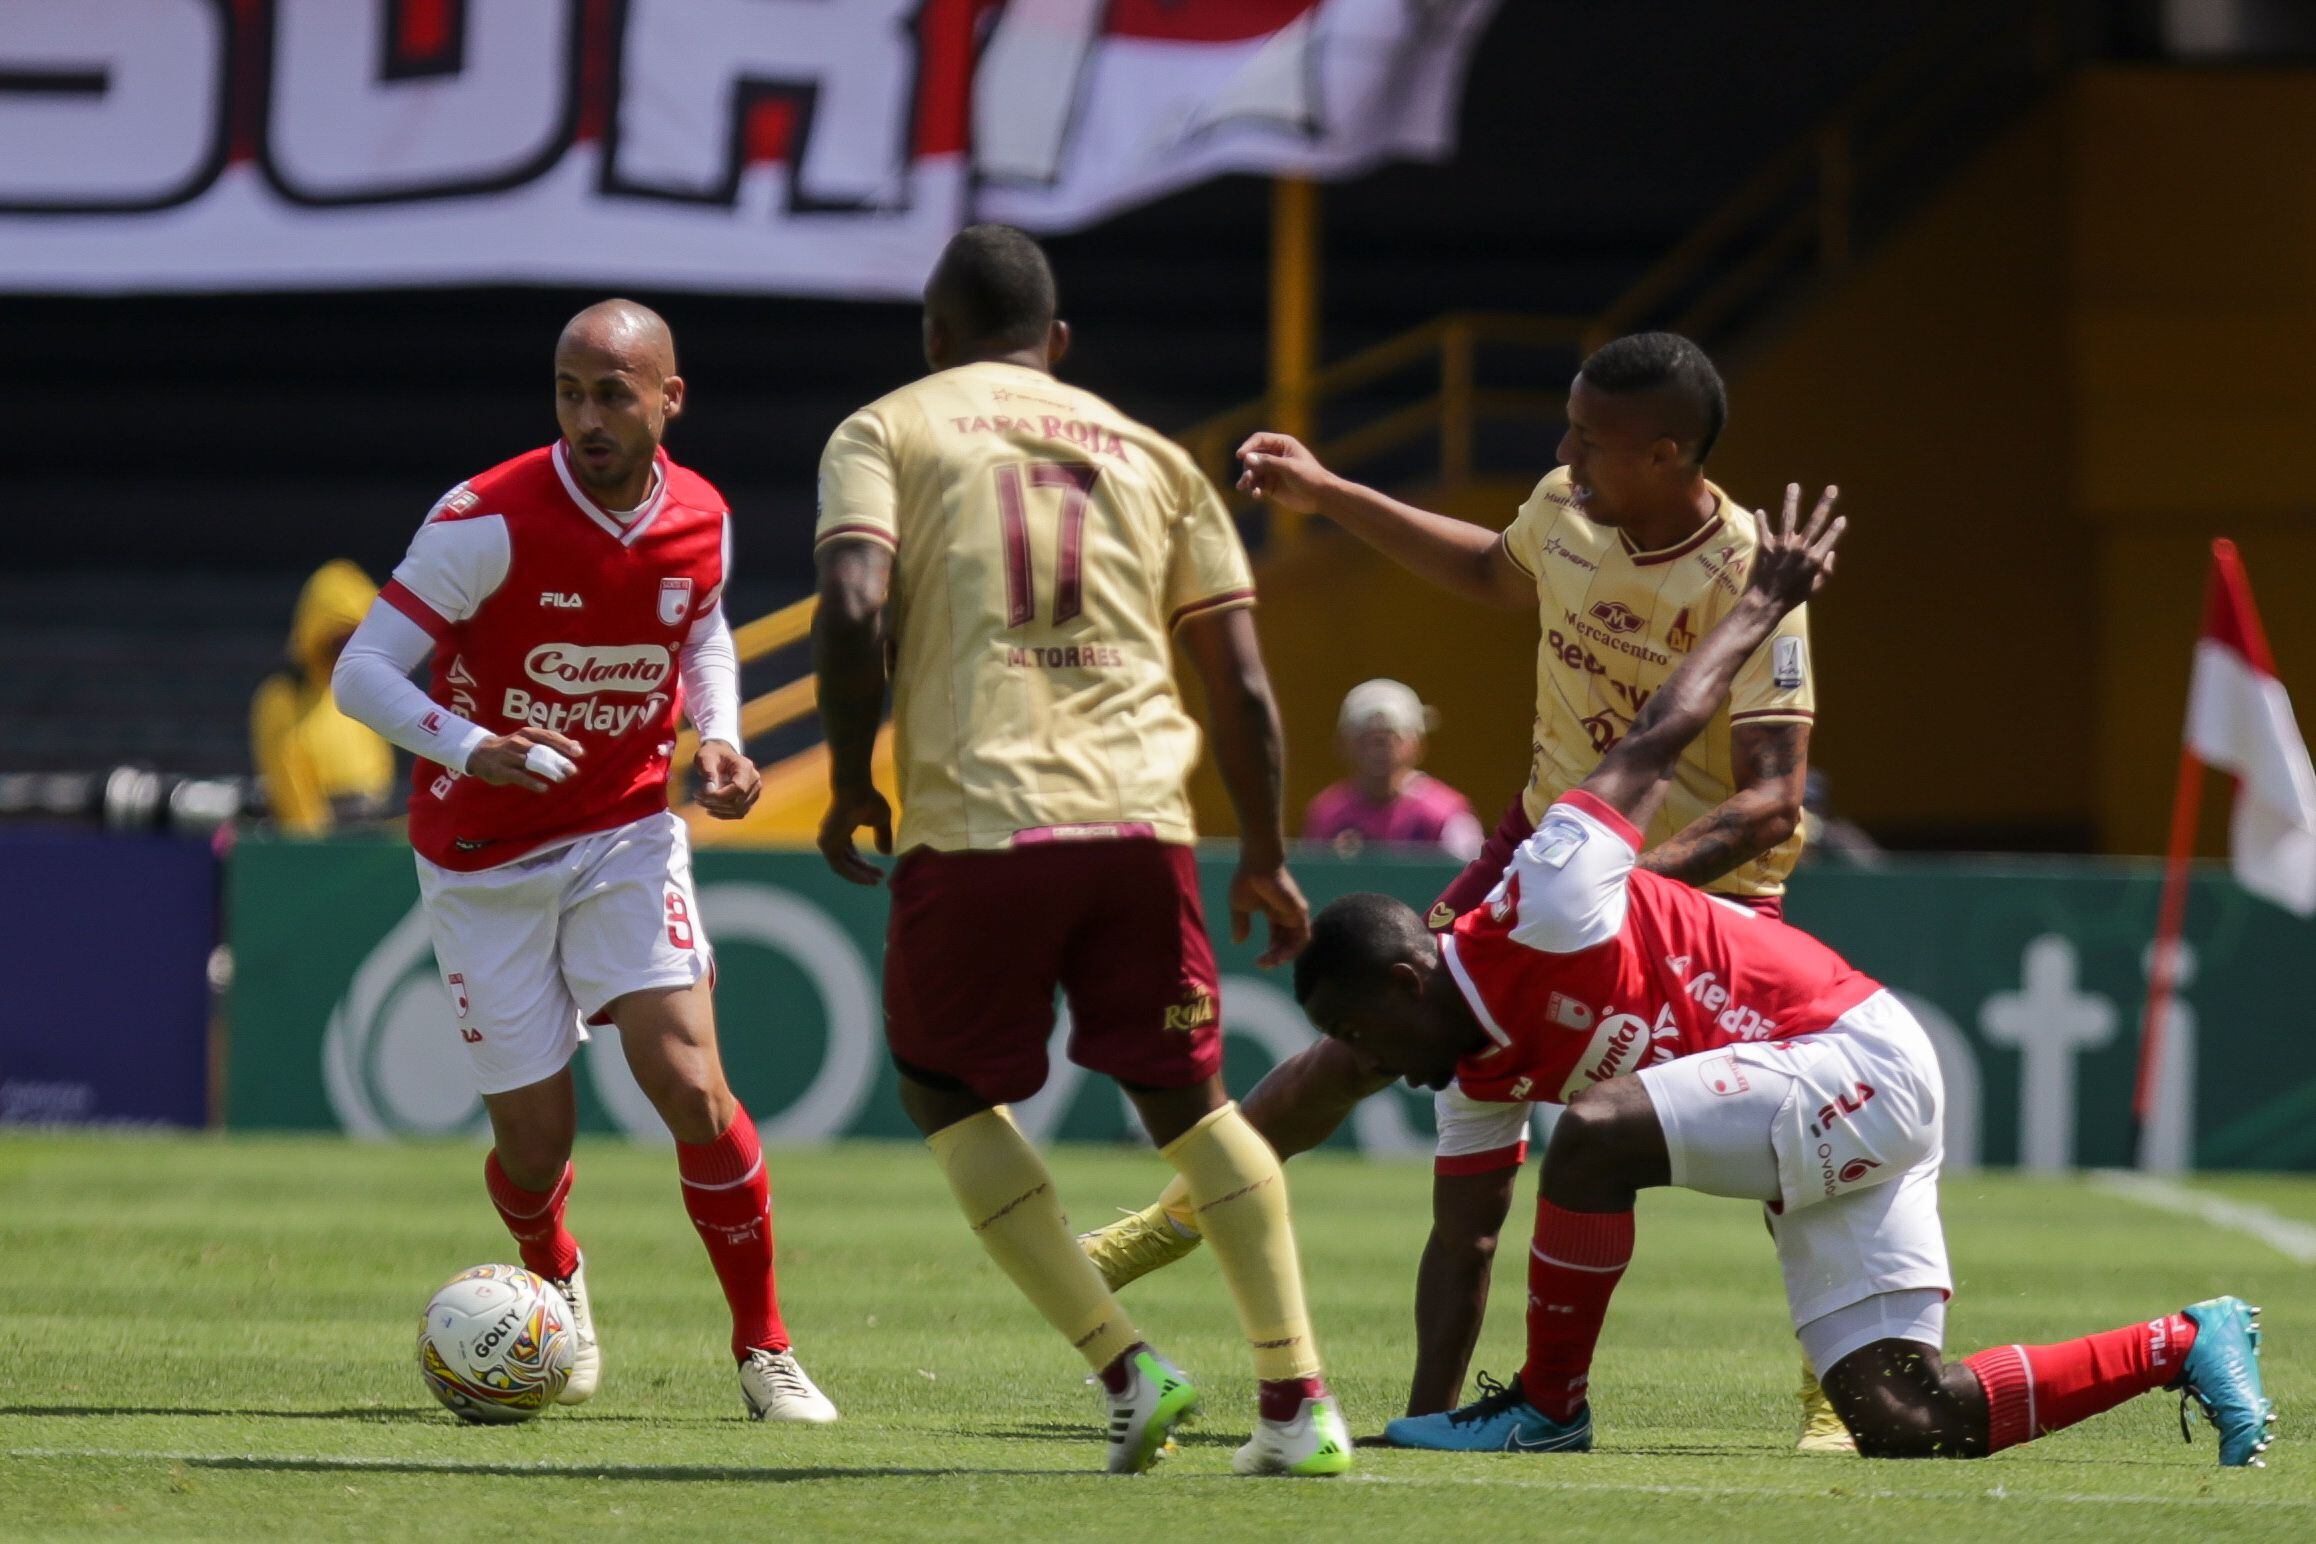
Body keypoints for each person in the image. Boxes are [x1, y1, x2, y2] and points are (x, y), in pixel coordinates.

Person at [1294, 488, 2274, 1466]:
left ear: (1406, 983)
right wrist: (1415, 1429)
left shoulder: (1541, 897)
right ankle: (2185, 1340)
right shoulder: (1471, 1076)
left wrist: (1761, 603)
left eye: (1364, 1034)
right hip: (1830, 1099)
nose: (1370, 1063)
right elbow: (1464, 1242)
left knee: (1592, 1133)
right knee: (1902, 1414)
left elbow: (1655, 736)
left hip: (1853, 1055)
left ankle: (1551, 1405)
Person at [1082, 333, 1848, 1448]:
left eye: (1591, 437)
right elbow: (1490, 569)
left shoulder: (1753, 579)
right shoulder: (1565, 509)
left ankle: (1834, 1375)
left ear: (1670, 451)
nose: (1564, 451)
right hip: (1537, 845)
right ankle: (1189, 1228)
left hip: (1705, 897)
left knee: (1784, 1132)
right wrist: (1329, 490)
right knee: (1381, 1037)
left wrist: (1621, 889)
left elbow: (1773, 801)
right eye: (1569, 427)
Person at [812, 224, 1349, 1477]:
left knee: (943, 1087)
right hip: (1138, 820)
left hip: (981, 816)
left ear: (934, 337)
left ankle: (1126, 1364)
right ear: (1058, 345)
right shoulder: (1160, 458)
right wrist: (1265, 852)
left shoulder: (885, 428)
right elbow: (1247, 689)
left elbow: (849, 604)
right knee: (1191, 1104)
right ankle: (1297, 1402)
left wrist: (848, 777)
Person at [331, 300, 837, 1424]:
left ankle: (766, 1349)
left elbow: (699, 626)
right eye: (569, 390)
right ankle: (555, 1274)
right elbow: (361, 673)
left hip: (623, 830)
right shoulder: (487, 521)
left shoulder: (701, 514)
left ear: (670, 398)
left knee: (692, 1085)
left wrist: (722, 737)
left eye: (613, 392)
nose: (588, 415)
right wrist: (475, 747)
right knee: (535, 1138)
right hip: (480, 856)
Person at [251, 559, 395, 832]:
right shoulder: (284, 696)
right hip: (327, 836)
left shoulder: (361, 692)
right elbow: (289, 782)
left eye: (357, 638)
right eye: (339, 640)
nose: (348, 650)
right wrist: (315, 845)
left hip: (371, 828)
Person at [1303, 679, 1484, 860]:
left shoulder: (1445, 815)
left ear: (1418, 745)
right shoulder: (1327, 813)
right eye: (1366, 739)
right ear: (1342, 745)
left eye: (1392, 738)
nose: (1379, 750)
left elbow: (1474, 876)